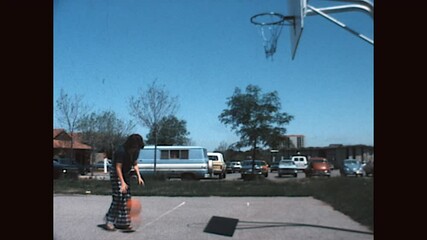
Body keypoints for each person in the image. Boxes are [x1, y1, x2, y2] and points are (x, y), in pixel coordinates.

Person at [104, 133, 145, 231]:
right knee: (118, 196)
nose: (136, 149)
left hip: (126, 173)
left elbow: (135, 164)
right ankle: (109, 220)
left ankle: (122, 222)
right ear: (130, 145)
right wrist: (122, 182)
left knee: (127, 197)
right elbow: (118, 167)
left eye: (138, 147)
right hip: (116, 172)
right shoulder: (121, 151)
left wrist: (139, 176)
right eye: (135, 147)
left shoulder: (136, 152)